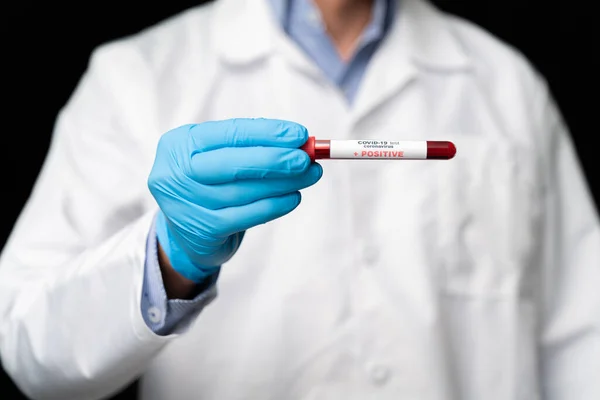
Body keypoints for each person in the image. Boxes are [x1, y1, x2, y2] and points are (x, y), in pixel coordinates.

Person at [0, 0, 598, 398]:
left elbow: (583, 338)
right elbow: (26, 341)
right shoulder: (136, 76)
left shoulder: (504, 82)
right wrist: (167, 261)